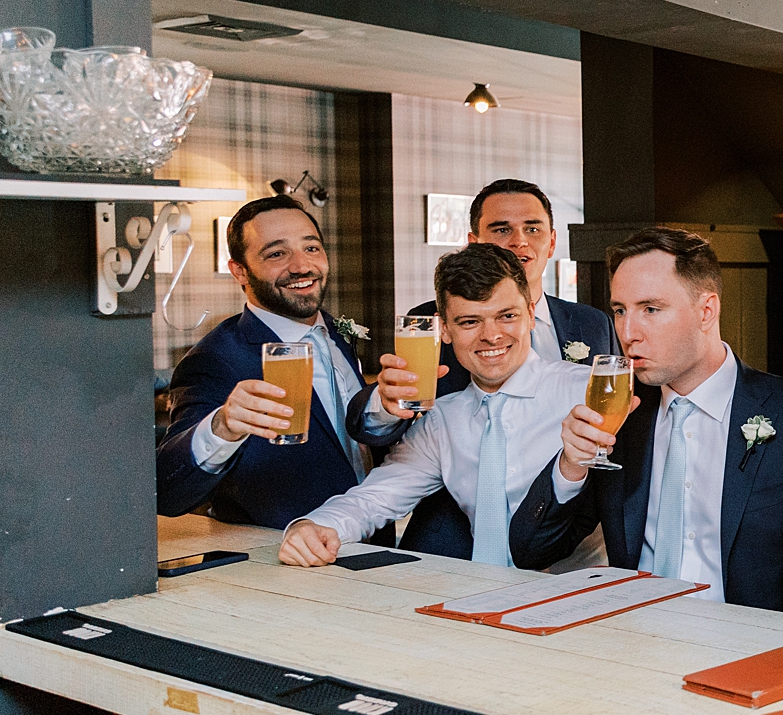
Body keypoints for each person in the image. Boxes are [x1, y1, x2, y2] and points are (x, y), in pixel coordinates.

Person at [554, 227, 783, 620]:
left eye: (650, 310)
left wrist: (766, 652)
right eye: (620, 310)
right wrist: (570, 466)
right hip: (632, 642)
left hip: (753, 654)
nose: (627, 332)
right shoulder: (624, 418)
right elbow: (534, 548)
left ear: (707, 311)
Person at [279, 243, 600, 570]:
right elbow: (373, 498)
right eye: (470, 322)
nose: (491, 336)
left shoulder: (587, 391)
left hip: (582, 593)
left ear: (531, 315)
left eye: (507, 316)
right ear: (444, 330)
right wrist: (313, 527)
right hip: (472, 597)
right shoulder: (443, 420)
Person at [360, 178, 616, 553]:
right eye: (501, 229)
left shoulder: (591, 323)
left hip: (576, 536)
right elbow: (401, 442)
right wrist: (385, 405)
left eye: (532, 228)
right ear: (474, 241)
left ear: (553, 240)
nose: (519, 241)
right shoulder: (429, 324)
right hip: (464, 532)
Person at [157, 195, 394, 541]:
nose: (301, 266)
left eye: (311, 248)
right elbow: (167, 492)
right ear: (239, 270)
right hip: (279, 560)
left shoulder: (336, 334)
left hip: (373, 547)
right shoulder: (215, 358)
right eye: (276, 254)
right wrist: (222, 426)